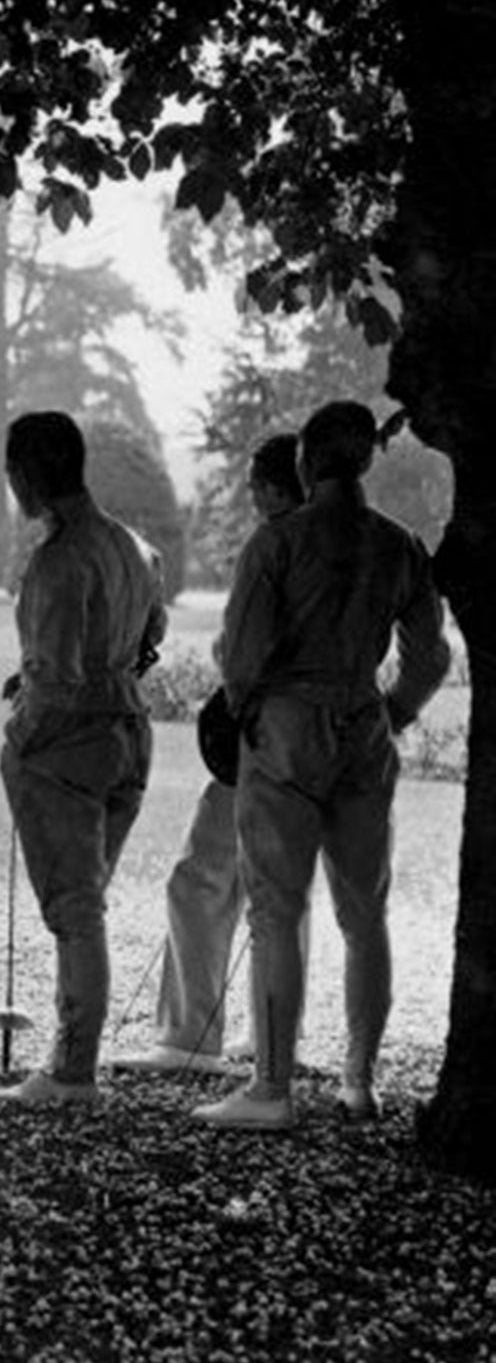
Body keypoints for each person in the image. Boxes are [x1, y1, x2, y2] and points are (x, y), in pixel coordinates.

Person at [193, 400, 451, 1131]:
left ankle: (271, 1087)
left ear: (306, 460)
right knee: (364, 911)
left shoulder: (278, 542)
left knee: (279, 908)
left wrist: (247, 715)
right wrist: (392, 711)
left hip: (286, 727)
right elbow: (430, 655)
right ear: (367, 459)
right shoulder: (399, 546)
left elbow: (241, 659)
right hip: (364, 725)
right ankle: (359, 1081)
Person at [0, 410, 167, 1108]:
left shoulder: (57, 560)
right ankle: (72, 1060)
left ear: (26, 474)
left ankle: (72, 1071)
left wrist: (18, 742)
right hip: (129, 733)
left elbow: (58, 682)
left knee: (76, 910)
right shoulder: (133, 546)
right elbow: (146, 637)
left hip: (71, 748)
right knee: (87, 904)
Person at [115, 433, 312, 1075]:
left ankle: (188, 1037)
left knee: (199, 881)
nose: (250, 493)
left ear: (280, 486)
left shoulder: (275, 545)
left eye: (257, 482)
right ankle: (271, 1034)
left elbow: (241, 652)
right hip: (323, 740)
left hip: (260, 740)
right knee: (282, 892)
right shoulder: (364, 541)